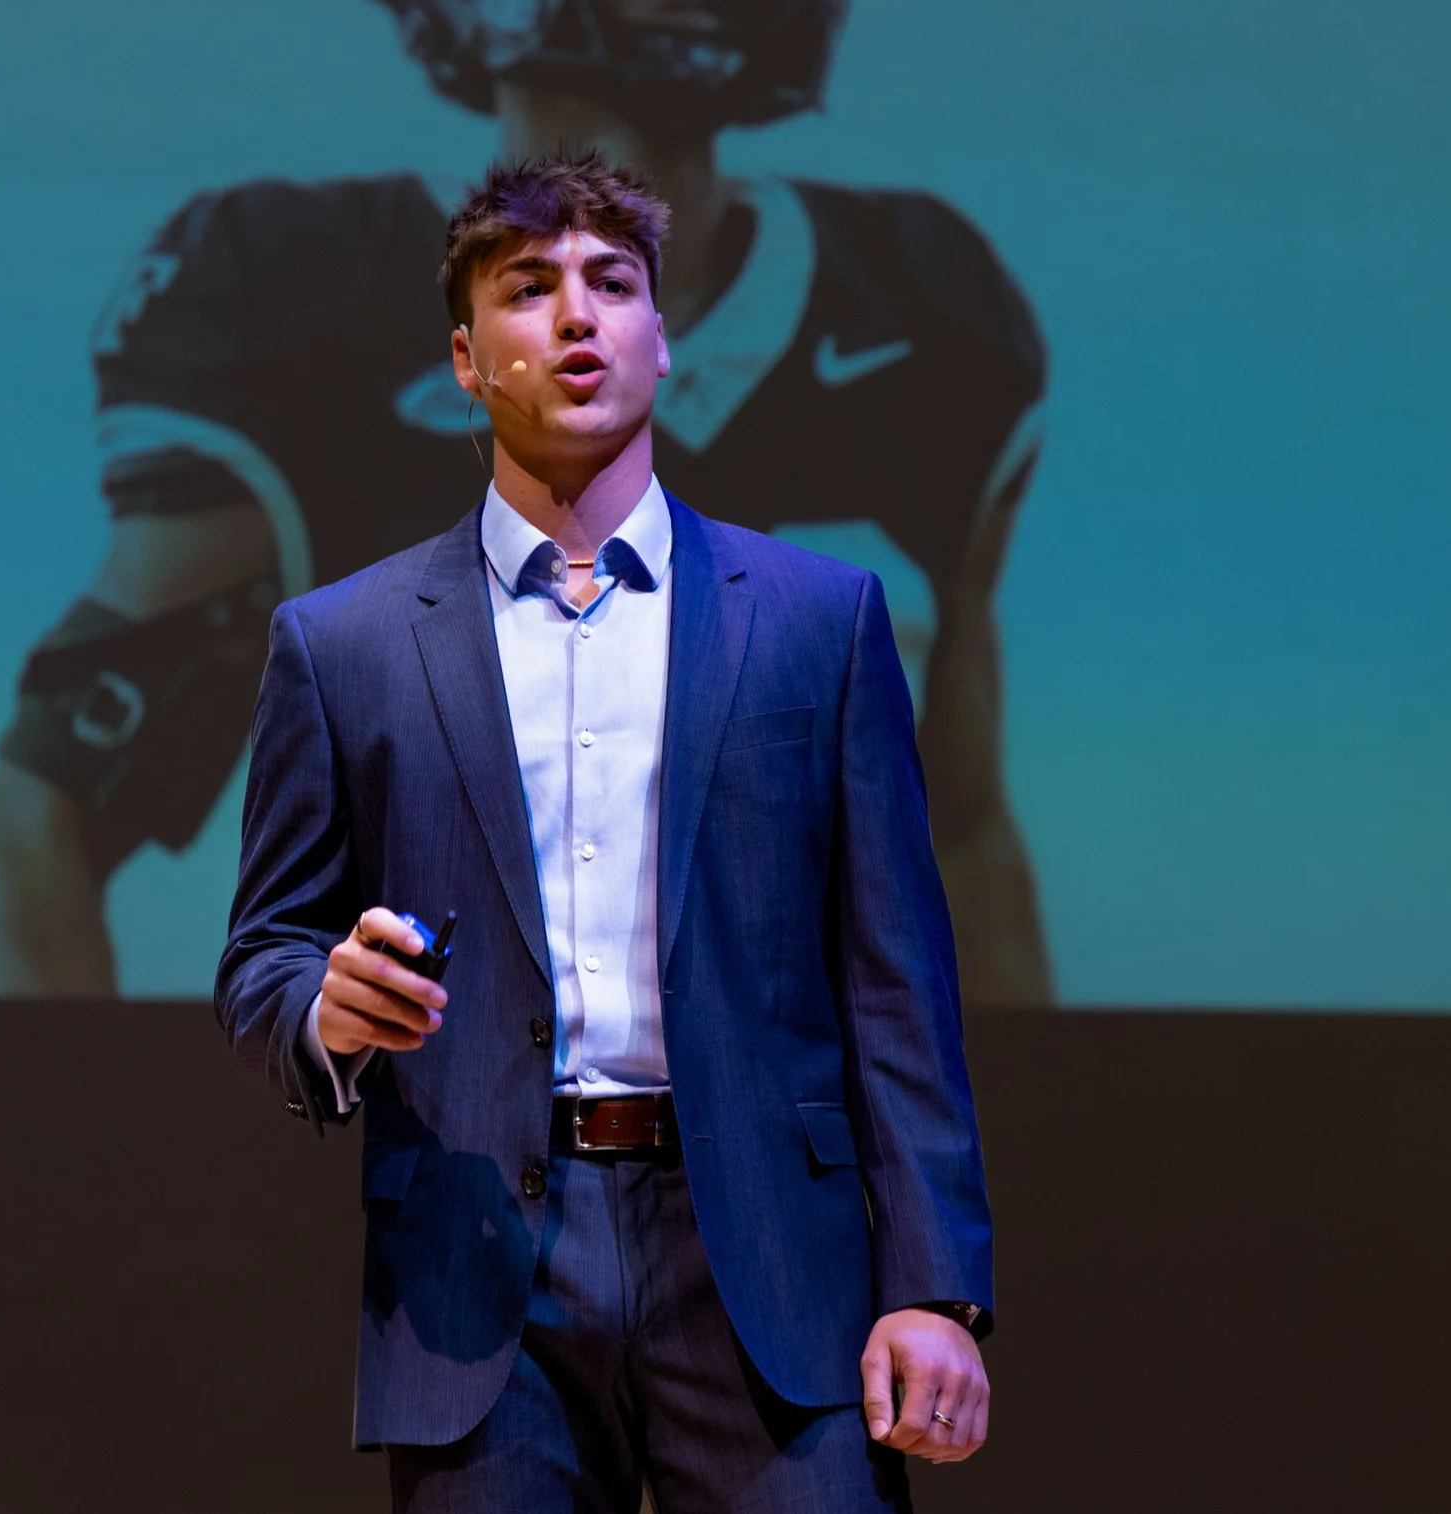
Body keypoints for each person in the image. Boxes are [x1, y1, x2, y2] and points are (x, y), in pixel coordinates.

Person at [0, 0, 1053, 1008]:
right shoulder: (313, 314)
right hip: (444, 1139)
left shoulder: (927, 323)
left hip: (779, 1148)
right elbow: (32, 834)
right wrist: (108, 1189)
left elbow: (958, 834)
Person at [217, 152, 992, 1511]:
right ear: (463, 358)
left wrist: (931, 1285)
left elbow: (895, 984)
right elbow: (265, 958)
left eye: (611, 284)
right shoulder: (342, 644)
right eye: (528, 288)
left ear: (661, 341)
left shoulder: (815, 619)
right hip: (479, 1263)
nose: (575, 316)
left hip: (758, 1239)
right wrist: (327, 1010)